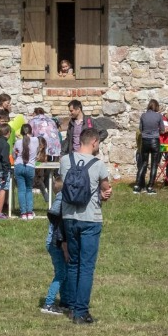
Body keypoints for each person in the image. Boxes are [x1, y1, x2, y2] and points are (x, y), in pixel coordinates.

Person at [58, 126, 112, 325]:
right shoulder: (98, 165)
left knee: (73, 262)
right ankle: (81, 312)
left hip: (69, 217)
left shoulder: (65, 161)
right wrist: (105, 194)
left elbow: (60, 184)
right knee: (87, 266)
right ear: (95, 142)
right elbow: (105, 190)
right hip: (90, 218)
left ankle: (72, 306)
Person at [133, 98, 163, 194]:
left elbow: (140, 129)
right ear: (156, 106)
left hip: (145, 141)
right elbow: (162, 129)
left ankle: (137, 185)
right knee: (154, 164)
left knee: (144, 163)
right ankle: (150, 186)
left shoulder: (143, 115)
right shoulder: (159, 116)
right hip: (155, 141)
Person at [12, 123, 40, 220]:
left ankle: (23, 213)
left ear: (21, 132)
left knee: (21, 190)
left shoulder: (17, 142)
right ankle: (29, 212)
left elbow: (14, 155)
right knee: (29, 190)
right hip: (30, 167)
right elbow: (37, 151)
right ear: (31, 131)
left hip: (19, 166)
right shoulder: (36, 140)